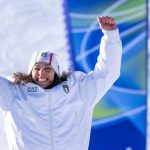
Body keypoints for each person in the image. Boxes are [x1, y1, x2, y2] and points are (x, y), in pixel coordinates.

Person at [0, 16, 122, 150]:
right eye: (37, 68)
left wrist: (111, 37)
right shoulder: (14, 92)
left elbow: (107, 72)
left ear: (56, 73)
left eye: (47, 69)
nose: (42, 73)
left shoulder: (78, 91)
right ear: (30, 72)